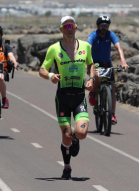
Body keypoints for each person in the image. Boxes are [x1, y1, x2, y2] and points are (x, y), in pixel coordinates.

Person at [39, 16, 95, 180]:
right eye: (66, 26)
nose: (69, 28)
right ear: (61, 29)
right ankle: (67, 167)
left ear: (76, 28)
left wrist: (91, 79)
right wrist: (50, 76)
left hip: (79, 97)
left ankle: (76, 140)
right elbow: (42, 69)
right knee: (66, 134)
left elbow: (91, 64)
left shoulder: (85, 47)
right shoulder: (54, 49)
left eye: (72, 25)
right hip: (62, 98)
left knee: (81, 133)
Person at [87, 16, 129, 125]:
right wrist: (86, 61)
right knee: (97, 75)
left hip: (107, 64)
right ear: (98, 26)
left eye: (106, 26)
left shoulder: (111, 35)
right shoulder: (93, 35)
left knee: (112, 89)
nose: (104, 28)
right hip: (94, 64)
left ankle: (112, 115)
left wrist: (123, 61)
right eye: (102, 25)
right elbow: (88, 47)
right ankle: (93, 92)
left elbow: (118, 47)